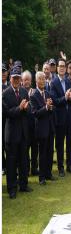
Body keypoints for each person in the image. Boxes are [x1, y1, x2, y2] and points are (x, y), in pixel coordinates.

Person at [3, 66, 33, 198]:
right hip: (11, 134)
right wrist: (20, 108)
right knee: (11, 162)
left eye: (18, 78)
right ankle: (12, 188)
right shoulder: (5, 94)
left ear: (20, 79)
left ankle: (23, 185)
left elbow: (28, 110)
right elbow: (7, 113)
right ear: (10, 79)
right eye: (14, 78)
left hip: (23, 133)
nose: (16, 80)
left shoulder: (23, 92)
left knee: (23, 160)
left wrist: (26, 108)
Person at [50, 58, 71, 176]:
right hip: (59, 118)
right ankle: (61, 168)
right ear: (57, 68)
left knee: (70, 142)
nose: (61, 68)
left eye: (63, 66)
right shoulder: (53, 83)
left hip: (70, 117)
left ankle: (69, 165)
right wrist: (65, 98)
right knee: (60, 144)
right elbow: (55, 101)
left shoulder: (69, 81)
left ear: (65, 69)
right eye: (59, 66)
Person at [30, 71, 56, 185]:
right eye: (40, 79)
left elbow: (51, 110)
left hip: (50, 127)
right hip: (41, 128)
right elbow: (35, 113)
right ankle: (41, 177)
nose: (43, 80)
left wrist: (50, 107)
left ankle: (48, 173)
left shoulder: (48, 93)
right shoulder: (33, 95)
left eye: (44, 78)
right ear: (36, 81)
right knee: (43, 153)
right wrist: (46, 107)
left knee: (50, 151)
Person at [22, 70, 38, 176]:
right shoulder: (20, 93)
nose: (26, 81)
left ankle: (34, 168)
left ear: (31, 81)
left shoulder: (35, 92)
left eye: (28, 79)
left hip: (35, 125)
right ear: (22, 81)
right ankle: (26, 169)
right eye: (24, 80)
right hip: (24, 126)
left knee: (35, 148)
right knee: (25, 149)